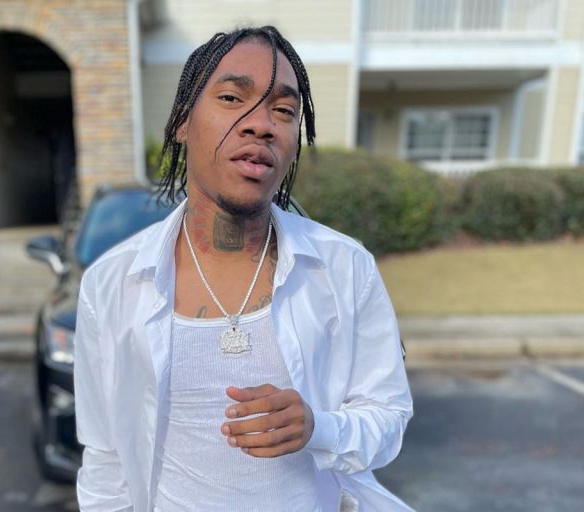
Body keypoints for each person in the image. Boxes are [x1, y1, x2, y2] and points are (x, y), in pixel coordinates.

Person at [74, 26, 414, 512]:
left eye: (284, 110)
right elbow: (105, 457)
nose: (261, 125)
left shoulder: (344, 268)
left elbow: (389, 415)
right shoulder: (112, 283)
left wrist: (319, 427)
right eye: (233, 98)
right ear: (182, 122)